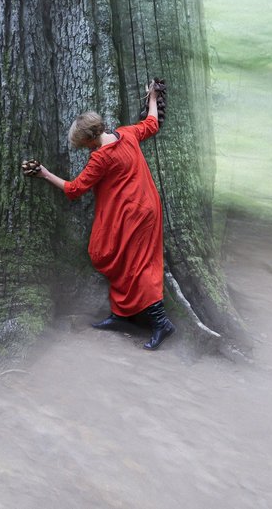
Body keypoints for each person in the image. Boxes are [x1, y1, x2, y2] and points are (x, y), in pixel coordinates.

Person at [31, 83, 175, 350]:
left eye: (83, 144)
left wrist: (45, 174)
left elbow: (74, 189)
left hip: (133, 213)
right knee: (120, 260)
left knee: (138, 266)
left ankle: (160, 322)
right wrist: (153, 97)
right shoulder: (126, 134)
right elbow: (151, 123)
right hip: (145, 206)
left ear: (90, 139)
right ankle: (123, 316)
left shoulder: (100, 158)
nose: (84, 149)